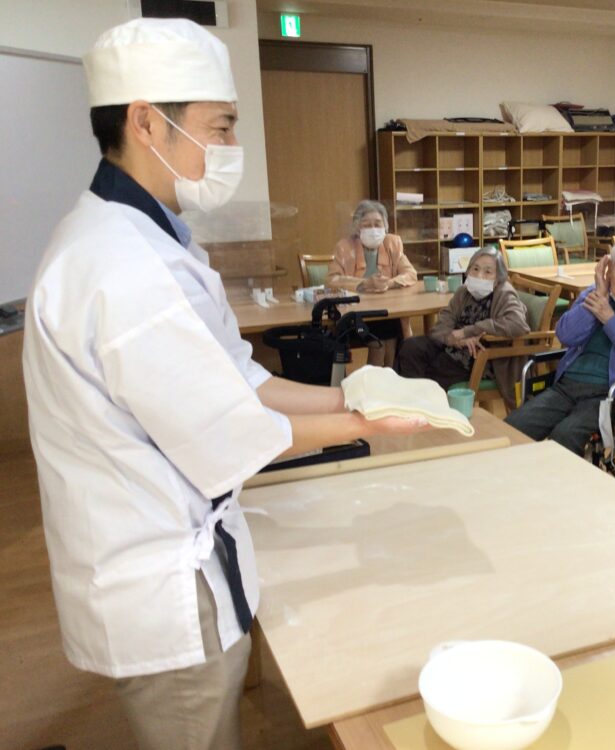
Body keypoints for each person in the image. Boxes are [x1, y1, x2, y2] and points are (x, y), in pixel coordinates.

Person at [21, 19, 429, 750]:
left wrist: (353, 396)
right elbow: (229, 429)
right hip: (158, 580)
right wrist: (370, 422)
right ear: (146, 121)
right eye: (222, 127)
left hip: (177, 550)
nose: (231, 148)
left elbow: (238, 380)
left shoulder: (146, 237)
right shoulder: (121, 265)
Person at [504, 235, 615, 454]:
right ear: (609, 269)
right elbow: (566, 335)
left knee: (564, 436)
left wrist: (610, 319)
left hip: (610, 394)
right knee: (512, 428)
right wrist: (599, 295)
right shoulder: (594, 293)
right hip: (566, 386)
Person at [396, 247, 529, 409]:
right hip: (455, 346)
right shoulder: (464, 291)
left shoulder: (504, 293)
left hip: (479, 356)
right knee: (410, 347)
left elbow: (518, 324)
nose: (479, 275)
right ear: (468, 270)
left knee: (432, 369)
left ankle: (418, 409)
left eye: (488, 272)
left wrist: (470, 331)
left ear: (498, 278)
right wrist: (452, 339)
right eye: (475, 269)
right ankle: (409, 406)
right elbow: (443, 322)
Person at [327, 200, 418, 366]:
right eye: (367, 225)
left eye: (377, 224)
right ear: (357, 227)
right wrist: (363, 284)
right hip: (355, 315)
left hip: (387, 311)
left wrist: (389, 283)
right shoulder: (344, 247)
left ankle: (387, 382)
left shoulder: (392, 243)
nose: (373, 229)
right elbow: (332, 280)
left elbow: (411, 274)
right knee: (380, 345)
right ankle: (373, 384)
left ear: (385, 226)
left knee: (390, 338)